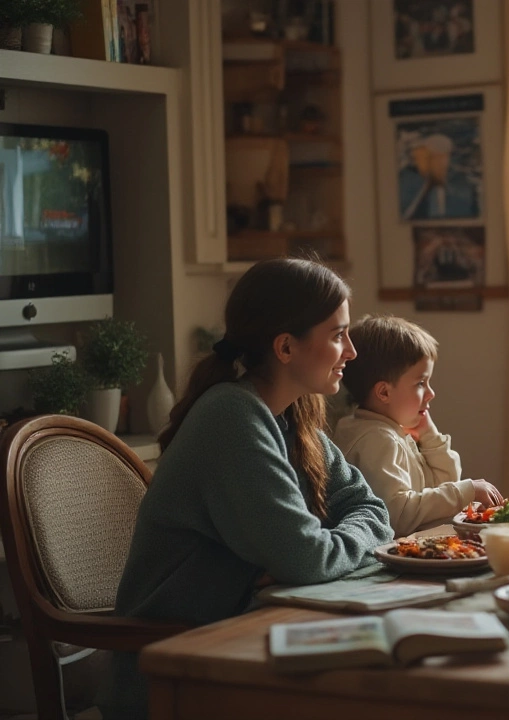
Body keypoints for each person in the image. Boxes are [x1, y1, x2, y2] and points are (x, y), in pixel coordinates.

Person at [102, 259, 394, 720]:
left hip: (248, 637)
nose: (351, 352)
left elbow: (372, 511)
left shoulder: (293, 418)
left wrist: (322, 551)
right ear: (285, 347)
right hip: (182, 669)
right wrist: (323, 554)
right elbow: (307, 558)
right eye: (338, 335)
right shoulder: (231, 418)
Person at [333, 314, 502, 537]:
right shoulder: (376, 440)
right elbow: (397, 516)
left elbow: (444, 484)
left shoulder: (390, 431)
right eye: (421, 383)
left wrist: (430, 436)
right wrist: (466, 491)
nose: (431, 393)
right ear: (384, 392)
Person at [398, 132, 480, 221]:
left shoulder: (464, 190)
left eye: (443, 158)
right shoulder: (409, 184)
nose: (440, 163)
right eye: (433, 158)